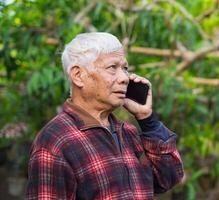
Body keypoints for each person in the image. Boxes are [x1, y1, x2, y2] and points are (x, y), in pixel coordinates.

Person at [25, 32, 184, 200]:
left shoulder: (127, 132)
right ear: (78, 76)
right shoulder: (55, 142)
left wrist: (147, 120)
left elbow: (169, 178)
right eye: (112, 67)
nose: (124, 78)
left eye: (125, 68)